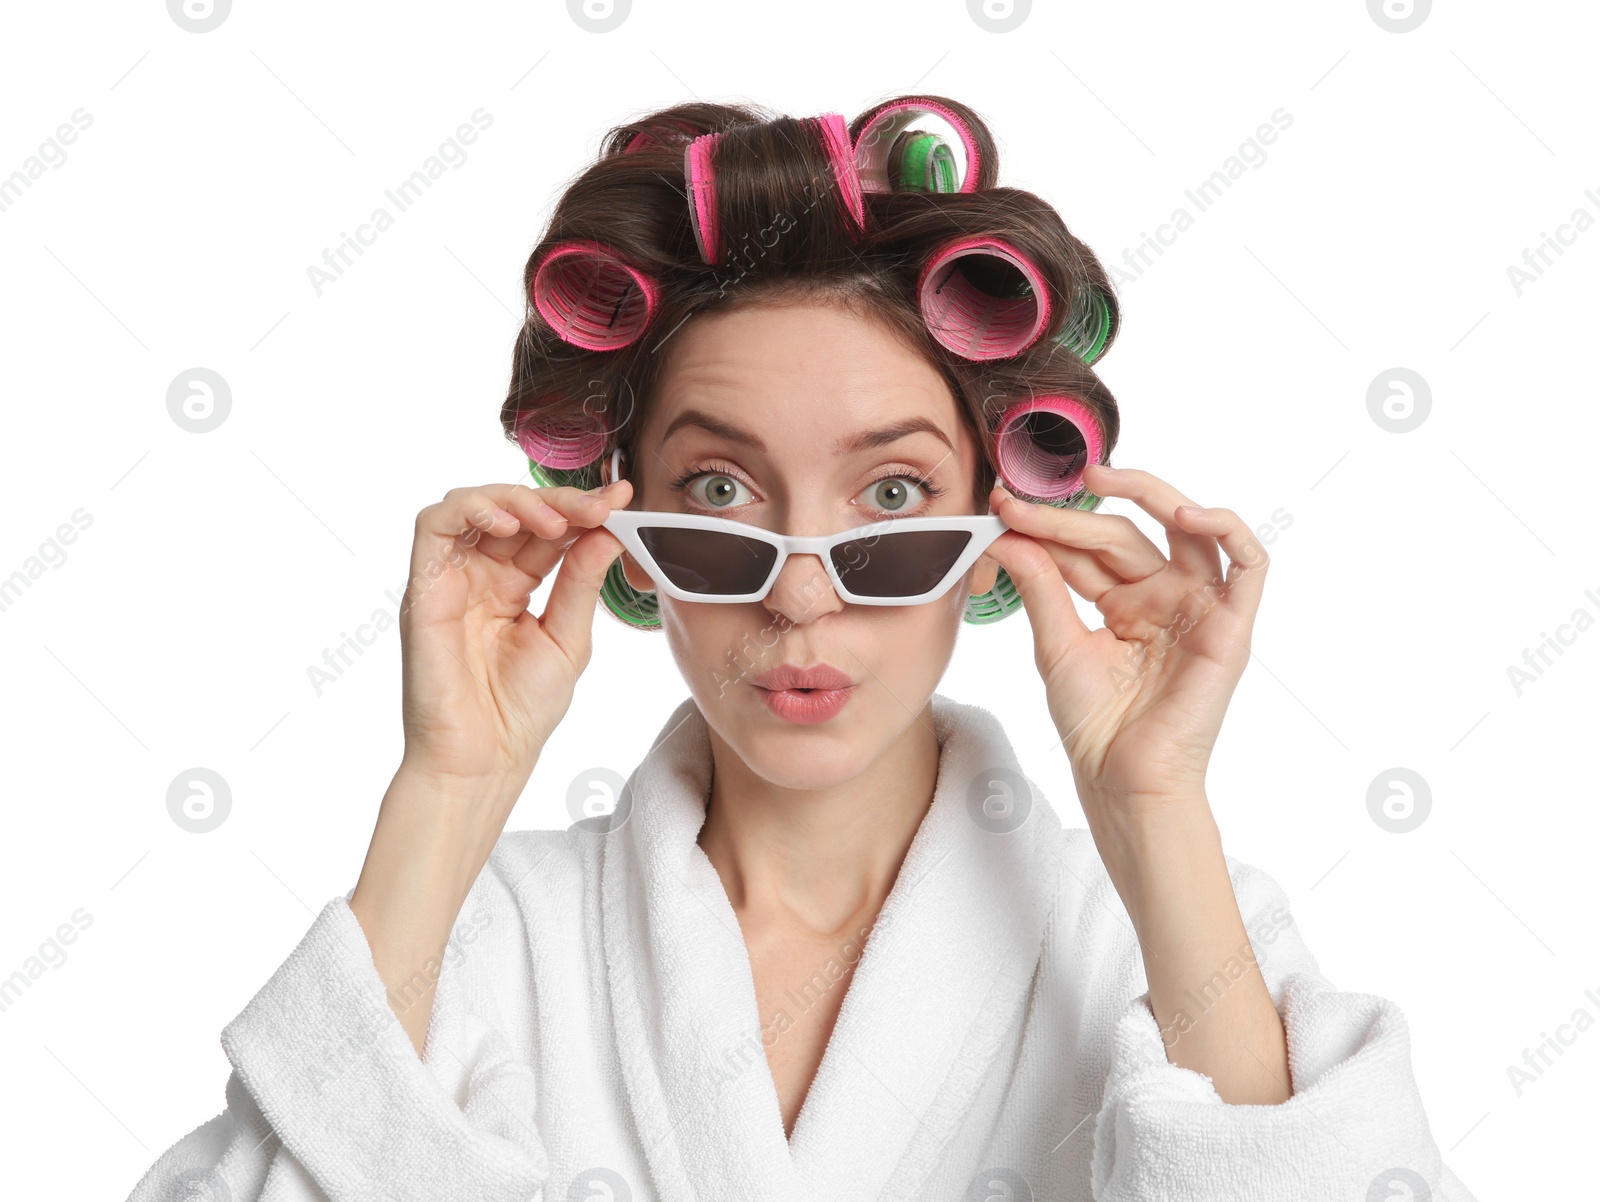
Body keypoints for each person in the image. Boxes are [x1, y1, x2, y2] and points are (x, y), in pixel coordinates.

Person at [127, 96, 1477, 1201]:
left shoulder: (1151, 939)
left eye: (890, 499)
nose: (801, 597)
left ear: (1003, 519)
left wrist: (1156, 812)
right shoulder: (487, 942)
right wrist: (446, 792)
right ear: (622, 519)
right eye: (719, 496)